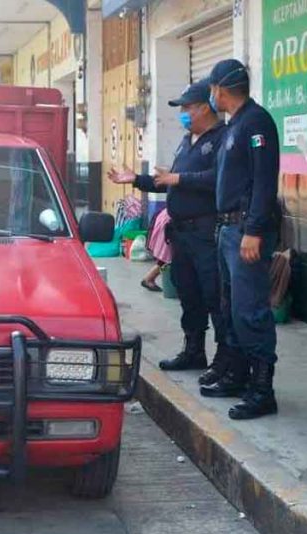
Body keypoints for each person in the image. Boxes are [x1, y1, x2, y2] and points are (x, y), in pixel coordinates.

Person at [177, 59, 281, 420]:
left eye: (211, 89)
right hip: (227, 229)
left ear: (220, 89)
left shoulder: (256, 122)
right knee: (230, 308)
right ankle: (238, 376)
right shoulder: (235, 125)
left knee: (250, 309)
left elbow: (264, 182)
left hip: (245, 231)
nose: (210, 95)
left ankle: (262, 389)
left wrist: (253, 230)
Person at [108, 78, 232, 374]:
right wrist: (136, 180)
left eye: (188, 108)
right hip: (182, 234)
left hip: (206, 232)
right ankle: (193, 351)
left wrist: (178, 179)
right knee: (188, 295)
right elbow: (169, 182)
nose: (183, 114)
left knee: (214, 296)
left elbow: (220, 180)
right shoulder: (186, 141)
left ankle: (225, 360)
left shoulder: (222, 139)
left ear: (205, 108)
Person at [140, 208, 172, 292]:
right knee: (167, 256)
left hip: (166, 219)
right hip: (169, 222)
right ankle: (148, 279)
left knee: (167, 256)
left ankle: (149, 278)